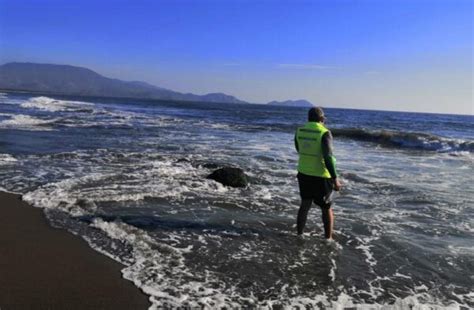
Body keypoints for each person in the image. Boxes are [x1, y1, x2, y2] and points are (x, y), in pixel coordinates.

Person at [294, 107, 341, 239]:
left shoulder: (299, 131)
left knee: (304, 205)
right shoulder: (325, 132)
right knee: (326, 208)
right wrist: (335, 178)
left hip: (303, 173)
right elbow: (328, 157)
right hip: (321, 176)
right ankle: (328, 239)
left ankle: (299, 234)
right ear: (322, 119)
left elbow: (299, 149)